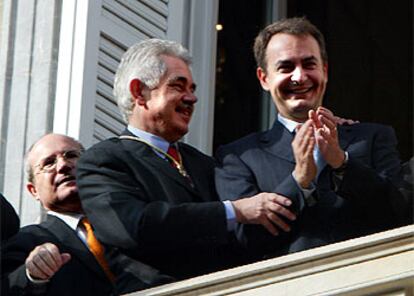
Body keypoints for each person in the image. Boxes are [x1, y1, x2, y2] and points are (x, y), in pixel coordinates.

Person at [76, 39, 297, 292]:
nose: (192, 98)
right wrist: (232, 211)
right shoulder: (103, 161)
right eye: (178, 86)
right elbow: (135, 227)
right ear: (139, 92)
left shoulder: (202, 163)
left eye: (192, 88)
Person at [215, 17, 410, 260]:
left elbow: (399, 212)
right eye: (286, 67)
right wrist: (299, 181)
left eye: (309, 64)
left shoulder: (372, 137)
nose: (299, 77)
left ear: (324, 71)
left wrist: (342, 163)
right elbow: (244, 240)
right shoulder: (238, 157)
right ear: (264, 78)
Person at [1, 134, 117, 296]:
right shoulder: (26, 241)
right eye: (49, 163)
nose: (63, 165)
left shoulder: (127, 219)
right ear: (33, 191)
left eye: (71, 155)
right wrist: (34, 276)